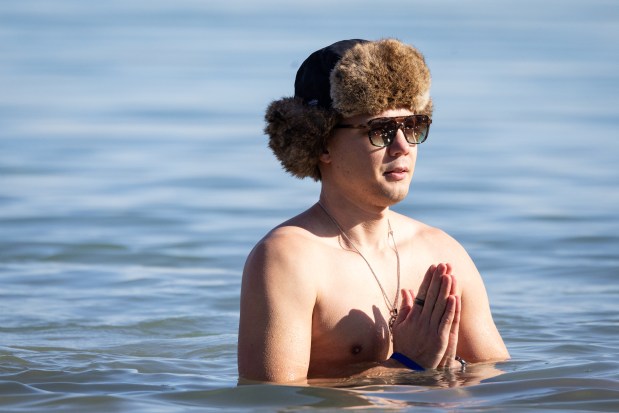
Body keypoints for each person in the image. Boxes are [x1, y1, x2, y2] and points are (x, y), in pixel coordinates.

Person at [238, 38, 509, 384]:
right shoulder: (287, 258)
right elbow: (272, 399)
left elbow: (497, 381)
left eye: (412, 127)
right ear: (321, 144)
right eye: (380, 131)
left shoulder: (441, 251)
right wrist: (405, 365)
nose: (403, 147)